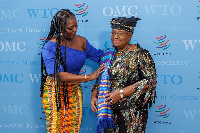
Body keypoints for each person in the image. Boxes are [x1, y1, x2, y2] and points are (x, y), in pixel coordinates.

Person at [40, 9, 105, 133]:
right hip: (55, 91)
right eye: (71, 28)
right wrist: (89, 77)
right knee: (56, 127)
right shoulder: (49, 47)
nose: (75, 30)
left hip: (74, 90)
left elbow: (99, 56)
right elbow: (58, 75)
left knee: (73, 127)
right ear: (60, 28)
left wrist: (118, 52)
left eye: (76, 26)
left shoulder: (82, 41)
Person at [90, 16, 157, 133]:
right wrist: (94, 96)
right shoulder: (107, 54)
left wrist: (120, 93)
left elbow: (149, 82)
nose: (115, 36)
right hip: (109, 111)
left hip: (131, 112)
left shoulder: (140, 54)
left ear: (130, 35)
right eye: (113, 33)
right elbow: (100, 80)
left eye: (120, 33)